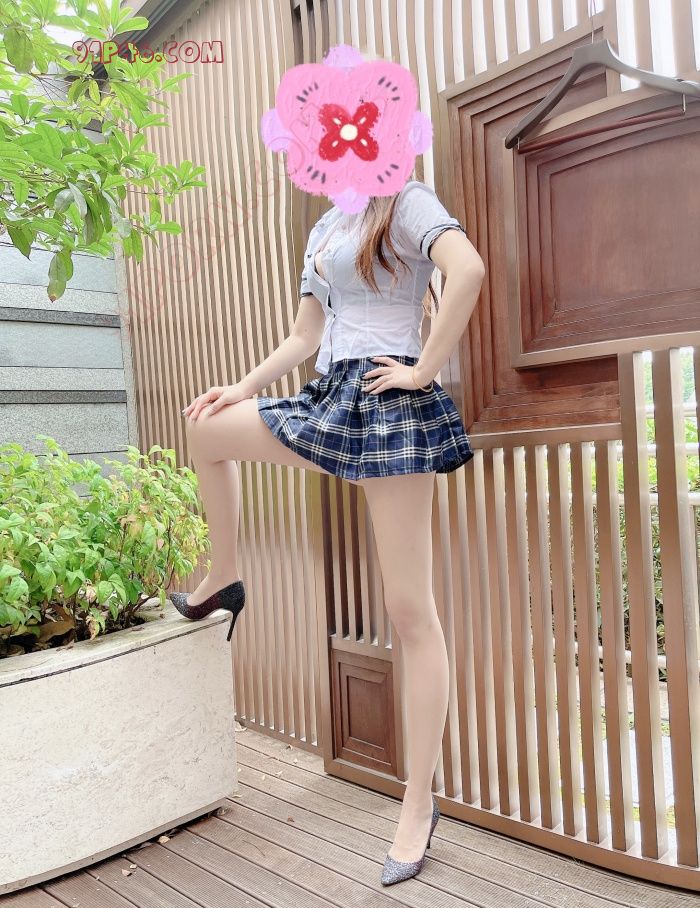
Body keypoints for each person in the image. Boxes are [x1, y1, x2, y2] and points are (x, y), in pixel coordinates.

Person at [173, 177, 485, 885]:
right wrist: (242, 389)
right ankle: (225, 575)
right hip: (330, 397)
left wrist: (424, 370)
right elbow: (304, 336)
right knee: (208, 430)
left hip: (388, 401)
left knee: (410, 611)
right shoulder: (325, 226)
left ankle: (418, 802)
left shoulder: (407, 200)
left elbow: (466, 270)